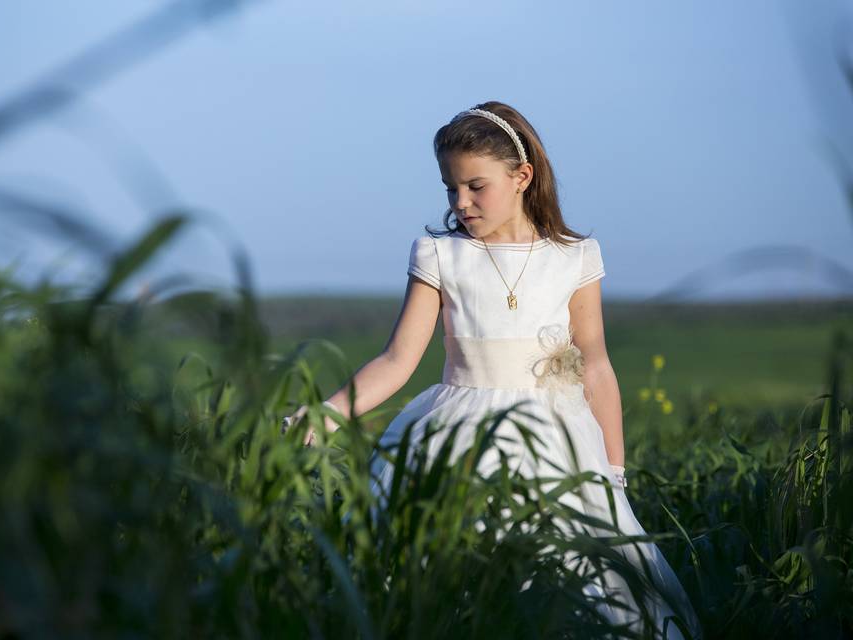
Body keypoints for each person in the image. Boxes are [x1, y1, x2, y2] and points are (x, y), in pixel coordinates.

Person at [282, 101, 703, 639]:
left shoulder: (574, 256)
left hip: (556, 442)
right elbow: (397, 359)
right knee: (443, 578)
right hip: (454, 434)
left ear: (522, 176)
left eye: (476, 186)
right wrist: (331, 412)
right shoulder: (439, 254)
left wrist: (613, 472)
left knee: (577, 580)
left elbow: (595, 363)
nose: (461, 202)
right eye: (449, 188)